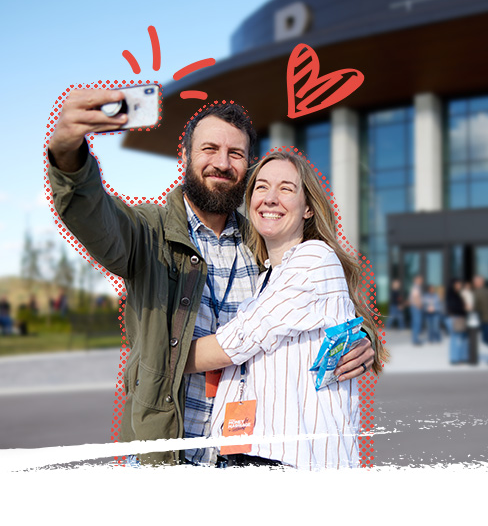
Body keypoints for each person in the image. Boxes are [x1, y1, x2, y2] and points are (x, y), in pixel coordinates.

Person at [46, 89, 375, 466]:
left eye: (235, 154)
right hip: (166, 453)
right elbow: (96, 220)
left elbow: (309, 313)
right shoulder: (148, 233)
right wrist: (69, 158)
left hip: (236, 457)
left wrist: (353, 340)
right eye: (209, 149)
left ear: (247, 165)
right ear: (185, 157)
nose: (222, 163)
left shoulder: (262, 244)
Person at [184, 152, 386, 469]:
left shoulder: (315, 259)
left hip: (294, 461)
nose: (271, 199)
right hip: (244, 453)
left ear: (308, 207)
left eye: (286, 189)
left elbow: (235, 342)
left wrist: (158, 360)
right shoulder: (263, 277)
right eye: (261, 187)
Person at [445, 278, 468, 364]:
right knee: (455, 338)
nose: (460, 285)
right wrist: (464, 308)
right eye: (458, 284)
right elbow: (454, 307)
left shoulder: (457, 294)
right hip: (455, 318)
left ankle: (462, 357)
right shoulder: (452, 294)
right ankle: (454, 359)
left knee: (463, 338)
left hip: (459, 318)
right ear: (454, 284)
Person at [409, 275, 424, 345]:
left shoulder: (416, 287)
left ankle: (415, 339)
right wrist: (419, 305)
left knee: (416, 323)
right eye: (420, 280)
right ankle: (416, 340)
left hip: (415, 307)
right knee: (417, 323)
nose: (421, 281)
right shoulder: (416, 287)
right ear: (416, 280)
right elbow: (415, 297)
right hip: (416, 307)